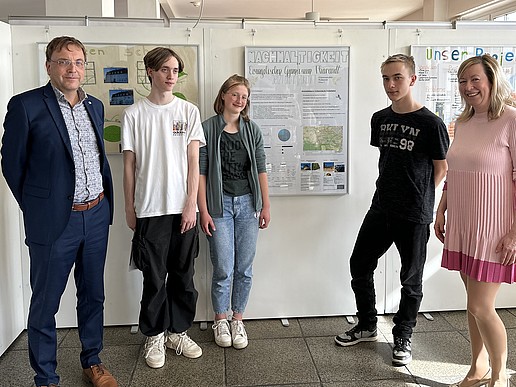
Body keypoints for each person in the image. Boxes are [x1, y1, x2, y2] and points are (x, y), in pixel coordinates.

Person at [1, 36, 117, 387]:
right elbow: (12, 165)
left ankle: (92, 361)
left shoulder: (94, 106)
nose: (73, 68)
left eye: (79, 62)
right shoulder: (25, 106)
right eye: (64, 61)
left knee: (93, 293)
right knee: (46, 302)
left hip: (96, 214)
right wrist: (37, 209)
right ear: (49, 65)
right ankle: (46, 377)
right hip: (54, 221)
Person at [334, 54, 449, 366]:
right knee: (360, 264)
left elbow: (441, 169)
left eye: (397, 77)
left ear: (412, 79)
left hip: (414, 213)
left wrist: (420, 194)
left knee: (410, 279)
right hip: (381, 206)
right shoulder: (380, 119)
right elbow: (387, 160)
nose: (391, 84)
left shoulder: (431, 124)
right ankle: (367, 324)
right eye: (386, 78)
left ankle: (403, 333)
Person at [122, 47, 206, 369]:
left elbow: (193, 162)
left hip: (183, 209)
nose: (171, 76)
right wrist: (130, 208)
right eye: (165, 70)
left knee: (184, 276)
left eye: (176, 71)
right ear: (151, 73)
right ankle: (155, 334)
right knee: (154, 277)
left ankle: (178, 331)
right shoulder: (134, 115)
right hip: (149, 209)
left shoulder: (188, 112)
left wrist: (190, 205)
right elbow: (129, 166)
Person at [435, 54, 516, 387]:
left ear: (492, 81)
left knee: (482, 307)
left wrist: (514, 234)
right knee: (472, 306)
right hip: (465, 225)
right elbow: (456, 173)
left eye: (475, 80)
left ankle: (499, 377)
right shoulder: (464, 122)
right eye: (462, 81)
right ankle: (477, 367)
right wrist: (442, 208)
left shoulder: (511, 119)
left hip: (495, 230)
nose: (468, 87)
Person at [198, 74, 270, 349]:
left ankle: (237, 318)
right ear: (224, 95)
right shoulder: (207, 128)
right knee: (224, 266)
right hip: (219, 207)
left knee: (244, 267)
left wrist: (265, 204)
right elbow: (201, 173)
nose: (240, 100)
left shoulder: (252, 130)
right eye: (235, 94)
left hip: (248, 205)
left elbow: (261, 168)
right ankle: (220, 319)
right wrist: (202, 210)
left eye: (244, 96)